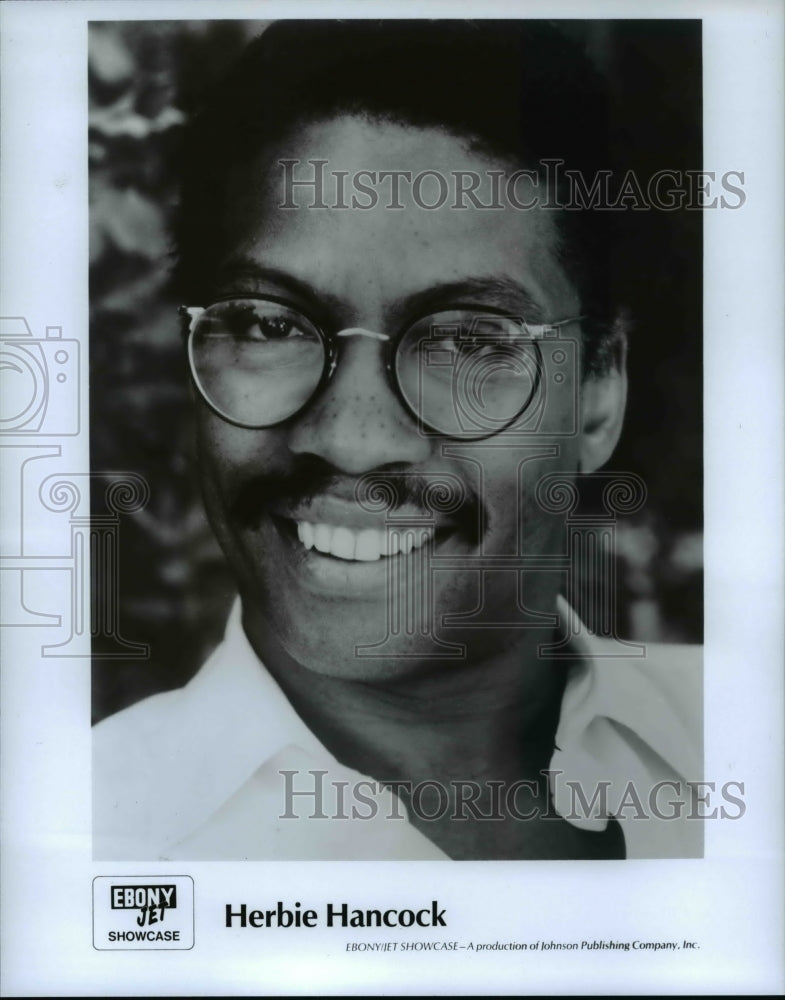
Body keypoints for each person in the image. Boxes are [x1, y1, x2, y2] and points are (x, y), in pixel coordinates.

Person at [93, 19, 702, 861]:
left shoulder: (740, 745)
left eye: (465, 339)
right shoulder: (81, 843)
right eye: (272, 324)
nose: (351, 438)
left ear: (598, 392)